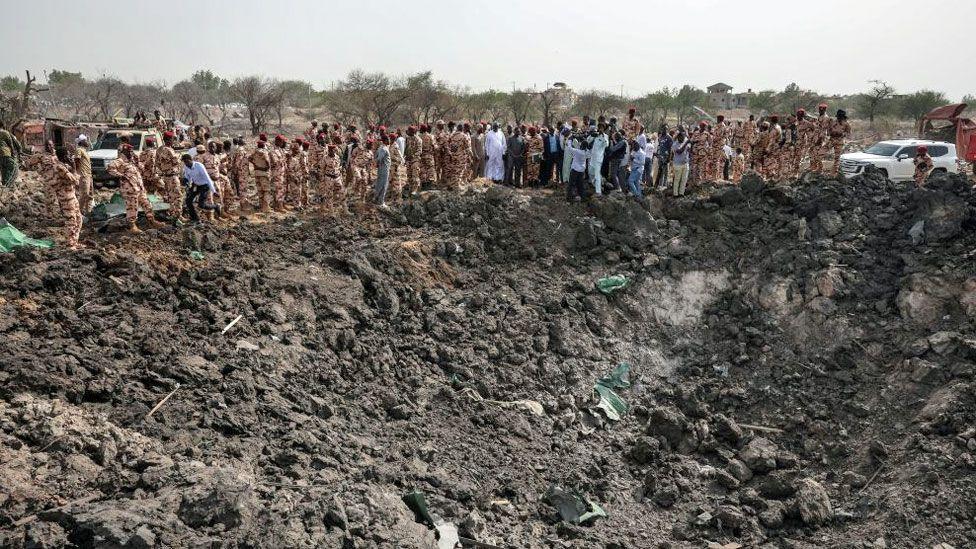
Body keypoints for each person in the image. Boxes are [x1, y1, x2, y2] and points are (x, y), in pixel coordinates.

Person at [107, 144, 165, 232]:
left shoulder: (132, 161)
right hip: (129, 189)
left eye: (131, 151)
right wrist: (121, 175)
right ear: (123, 152)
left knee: (147, 204)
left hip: (139, 188)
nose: (131, 152)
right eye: (129, 151)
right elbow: (110, 168)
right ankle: (132, 226)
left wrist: (137, 161)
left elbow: (142, 169)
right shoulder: (120, 161)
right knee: (132, 207)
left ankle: (152, 221)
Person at [38, 141, 83, 249]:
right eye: (67, 154)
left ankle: (74, 241)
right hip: (66, 198)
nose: (70, 156)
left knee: (79, 219)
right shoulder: (60, 168)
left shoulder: (63, 166)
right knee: (71, 220)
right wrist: (74, 167)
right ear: (63, 156)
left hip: (71, 196)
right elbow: (75, 180)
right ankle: (70, 244)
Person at [181, 153, 221, 223]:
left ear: (191, 160)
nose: (186, 163)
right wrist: (186, 180)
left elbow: (207, 178)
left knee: (201, 205)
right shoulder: (186, 167)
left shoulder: (199, 166)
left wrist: (214, 191)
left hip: (204, 185)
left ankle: (216, 206)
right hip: (196, 185)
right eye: (185, 162)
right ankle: (195, 218)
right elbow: (188, 177)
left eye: (187, 161)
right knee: (188, 201)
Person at [156, 131, 184, 221]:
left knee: (169, 196)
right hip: (172, 176)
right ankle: (178, 216)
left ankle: (171, 214)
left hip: (165, 176)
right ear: (168, 140)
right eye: (172, 139)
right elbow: (176, 161)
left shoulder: (159, 149)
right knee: (178, 196)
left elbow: (157, 163)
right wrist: (179, 156)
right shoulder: (169, 150)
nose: (173, 141)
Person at [319, 144, 345, 215]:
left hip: (337, 177)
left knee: (342, 193)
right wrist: (322, 181)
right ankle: (331, 212)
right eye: (331, 150)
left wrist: (341, 177)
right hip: (329, 178)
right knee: (329, 195)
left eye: (334, 150)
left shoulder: (337, 157)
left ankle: (345, 209)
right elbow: (322, 170)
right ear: (329, 150)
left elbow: (339, 167)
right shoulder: (325, 158)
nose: (333, 151)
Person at [563, 136, 590, 201]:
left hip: (575, 170)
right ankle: (583, 197)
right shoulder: (587, 153)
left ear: (581, 146)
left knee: (571, 184)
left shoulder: (577, 151)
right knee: (580, 184)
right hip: (581, 171)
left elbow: (569, 148)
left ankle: (569, 198)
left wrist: (570, 140)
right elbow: (587, 149)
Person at [827, 109, 852, 176]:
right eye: (838, 116)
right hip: (831, 140)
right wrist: (830, 133)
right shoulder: (833, 122)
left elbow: (849, 133)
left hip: (839, 142)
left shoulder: (846, 124)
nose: (839, 118)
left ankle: (834, 174)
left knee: (837, 158)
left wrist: (843, 134)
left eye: (841, 116)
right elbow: (828, 130)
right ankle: (818, 168)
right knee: (821, 152)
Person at [74, 135, 94, 214]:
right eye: (86, 140)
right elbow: (77, 161)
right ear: (81, 142)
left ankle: (88, 212)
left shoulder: (84, 150)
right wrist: (78, 173)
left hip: (89, 175)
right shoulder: (79, 150)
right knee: (84, 194)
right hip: (84, 175)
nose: (87, 142)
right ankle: (78, 212)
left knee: (90, 195)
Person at [809, 103, 830, 173]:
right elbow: (817, 127)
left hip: (820, 138)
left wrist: (819, 139)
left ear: (824, 110)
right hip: (815, 136)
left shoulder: (826, 118)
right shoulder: (820, 116)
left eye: (821, 110)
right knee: (812, 151)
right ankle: (813, 166)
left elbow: (823, 130)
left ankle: (820, 168)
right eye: (819, 110)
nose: (820, 111)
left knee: (817, 153)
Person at [0, 120, 22, 186]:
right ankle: (7, 186)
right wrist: (14, 154)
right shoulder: (5, 133)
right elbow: (11, 144)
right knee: (13, 168)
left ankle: (5, 184)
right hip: (5, 153)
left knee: (4, 170)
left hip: (2, 156)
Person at [589, 125, 609, 196]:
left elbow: (606, 144)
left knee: (597, 175)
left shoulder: (605, 136)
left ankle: (598, 192)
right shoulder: (595, 134)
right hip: (592, 158)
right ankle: (599, 183)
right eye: (599, 128)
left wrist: (602, 136)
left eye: (601, 128)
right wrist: (592, 135)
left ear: (604, 129)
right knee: (590, 172)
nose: (600, 129)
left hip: (598, 158)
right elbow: (588, 141)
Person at [404, 126, 423, 195]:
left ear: (412, 131)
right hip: (408, 159)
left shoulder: (418, 140)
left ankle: (415, 189)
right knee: (409, 174)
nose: (407, 132)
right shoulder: (407, 139)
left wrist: (413, 156)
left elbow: (419, 151)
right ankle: (410, 187)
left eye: (409, 131)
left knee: (415, 174)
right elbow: (406, 148)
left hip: (415, 160)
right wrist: (405, 156)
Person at [671, 131, 691, 196]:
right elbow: (679, 151)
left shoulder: (685, 142)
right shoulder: (675, 144)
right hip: (677, 164)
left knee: (684, 180)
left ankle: (681, 193)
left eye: (683, 137)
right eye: (681, 137)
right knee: (677, 179)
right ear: (678, 137)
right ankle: (675, 194)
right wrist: (686, 143)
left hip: (685, 163)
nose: (682, 139)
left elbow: (689, 150)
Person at [374, 135, 391, 208]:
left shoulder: (381, 148)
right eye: (388, 139)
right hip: (384, 168)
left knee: (380, 183)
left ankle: (377, 199)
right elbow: (378, 159)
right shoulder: (383, 149)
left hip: (383, 168)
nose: (389, 140)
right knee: (383, 185)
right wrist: (378, 165)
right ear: (385, 140)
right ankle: (380, 202)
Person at [654, 126, 673, 191]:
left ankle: (665, 186)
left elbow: (670, 149)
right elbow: (659, 147)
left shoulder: (669, 138)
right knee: (660, 172)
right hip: (660, 157)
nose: (664, 130)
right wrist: (658, 154)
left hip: (666, 157)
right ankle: (660, 185)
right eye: (663, 129)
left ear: (667, 130)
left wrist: (669, 158)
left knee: (666, 172)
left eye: (665, 129)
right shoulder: (661, 137)